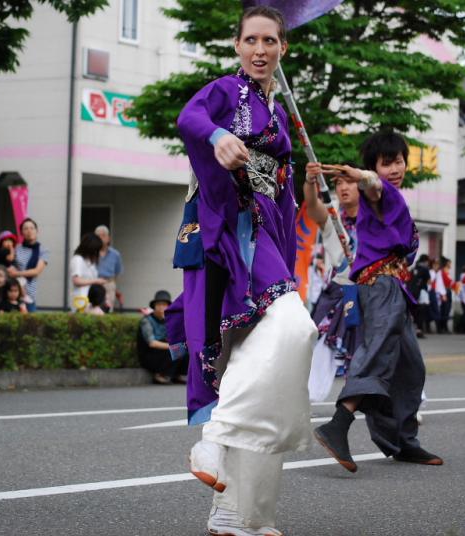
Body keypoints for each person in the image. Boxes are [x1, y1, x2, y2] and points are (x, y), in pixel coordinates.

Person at [171, 7, 318, 535]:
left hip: (269, 235)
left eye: (270, 41)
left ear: (283, 48)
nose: (260, 49)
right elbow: (189, 119)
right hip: (231, 232)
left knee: (267, 368)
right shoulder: (225, 91)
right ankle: (214, 437)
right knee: (293, 332)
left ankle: (239, 514)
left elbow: (285, 197)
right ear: (237, 45)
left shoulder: (277, 111)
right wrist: (217, 137)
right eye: (251, 40)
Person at [313, 130, 443, 474]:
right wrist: (363, 176)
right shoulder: (377, 192)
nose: (395, 169)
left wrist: (366, 175)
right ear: (374, 168)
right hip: (380, 285)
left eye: (399, 161)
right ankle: (338, 423)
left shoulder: (395, 196)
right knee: (378, 353)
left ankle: (402, 441)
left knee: (410, 368)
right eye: (386, 164)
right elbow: (373, 186)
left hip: (393, 287)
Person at [302, 160, 361, 402]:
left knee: (385, 348)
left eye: (349, 182)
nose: (343, 187)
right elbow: (313, 206)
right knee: (320, 346)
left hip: (372, 291)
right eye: (339, 183)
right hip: (339, 292)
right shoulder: (332, 216)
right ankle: (303, 401)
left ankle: (407, 402)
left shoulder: (376, 219)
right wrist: (310, 180)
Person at [138, 290, 187, 384]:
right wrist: (173, 347)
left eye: (164, 305)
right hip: (149, 354)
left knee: (185, 350)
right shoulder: (147, 321)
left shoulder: (169, 320)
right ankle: (160, 375)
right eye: (159, 304)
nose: (161, 307)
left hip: (163, 351)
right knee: (176, 350)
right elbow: (152, 343)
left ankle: (178, 375)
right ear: (154, 306)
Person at [9, 218, 49, 312]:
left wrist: (16, 273)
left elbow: (36, 271)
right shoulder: (17, 248)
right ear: (21, 232)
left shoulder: (43, 250)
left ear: (37, 231)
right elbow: (9, 264)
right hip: (13, 294)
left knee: (31, 320)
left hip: (30, 295)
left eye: (32, 228)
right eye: (25, 228)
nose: (29, 231)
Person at [70, 233, 106, 311]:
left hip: (91, 300)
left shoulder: (90, 262)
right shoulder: (78, 259)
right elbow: (76, 280)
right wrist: (96, 281)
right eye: (96, 250)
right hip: (81, 299)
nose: (98, 253)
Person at [0, 230, 31, 305]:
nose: (8, 243)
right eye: (6, 241)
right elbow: (10, 258)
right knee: (20, 280)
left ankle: (21, 296)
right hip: (3, 271)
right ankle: (23, 296)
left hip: (7, 272)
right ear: (1, 243)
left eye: (10, 241)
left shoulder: (7, 251)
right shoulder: (3, 251)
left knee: (21, 281)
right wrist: (12, 248)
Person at [94, 225, 123, 311]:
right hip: (93, 283)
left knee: (108, 310)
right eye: (98, 236)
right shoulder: (90, 253)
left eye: (103, 235)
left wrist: (112, 284)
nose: (101, 238)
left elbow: (117, 272)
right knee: (93, 310)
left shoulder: (115, 254)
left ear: (108, 238)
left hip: (109, 284)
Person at [410, 254, 432, 337]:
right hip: (422, 292)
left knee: (415, 310)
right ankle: (420, 330)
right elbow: (429, 281)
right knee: (422, 311)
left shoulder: (414, 268)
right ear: (426, 261)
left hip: (412, 292)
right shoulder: (425, 269)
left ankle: (415, 329)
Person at [438, 257, 454, 334]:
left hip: (448, 291)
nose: (450, 265)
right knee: (444, 309)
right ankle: (442, 327)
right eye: (449, 263)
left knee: (447, 309)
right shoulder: (442, 272)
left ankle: (445, 326)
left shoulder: (447, 272)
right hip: (444, 291)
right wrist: (443, 294)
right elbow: (443, 283)